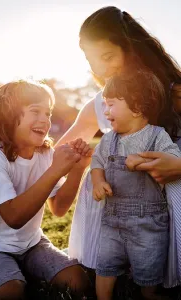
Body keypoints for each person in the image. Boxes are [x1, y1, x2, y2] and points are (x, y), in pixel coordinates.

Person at [52, 6, 181, 278]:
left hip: (172, 199)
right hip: (126, 208)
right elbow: (55, 154)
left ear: (131, 49)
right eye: (91, 61)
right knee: (96, 170)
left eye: (108, 56)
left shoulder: (175, 91)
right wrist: (1, 161)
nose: (100, 69)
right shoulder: (101, 103)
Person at [0, 79, 91, 300]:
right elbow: (14, 217)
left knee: (78, 282)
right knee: (10, 293)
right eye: (35, 111)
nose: (45, 120)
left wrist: (78, 169)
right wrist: (54, 172)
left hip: (32, 244)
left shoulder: (44, 154)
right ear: (9, 115)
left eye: (48, 113)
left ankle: (23, 267)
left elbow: (59, 208)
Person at [90, 71, 181, 300]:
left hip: (149, 225)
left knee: (148, 269)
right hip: (112, 222)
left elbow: (173, 161)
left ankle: (149, 293)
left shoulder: (157, 136)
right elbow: (97, 162)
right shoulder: (109, 139)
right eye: (104, 105)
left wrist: (142, 161)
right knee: (105, 266)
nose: (106, 112)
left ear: (137, 107)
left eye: (110, 105)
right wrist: (98, 181)